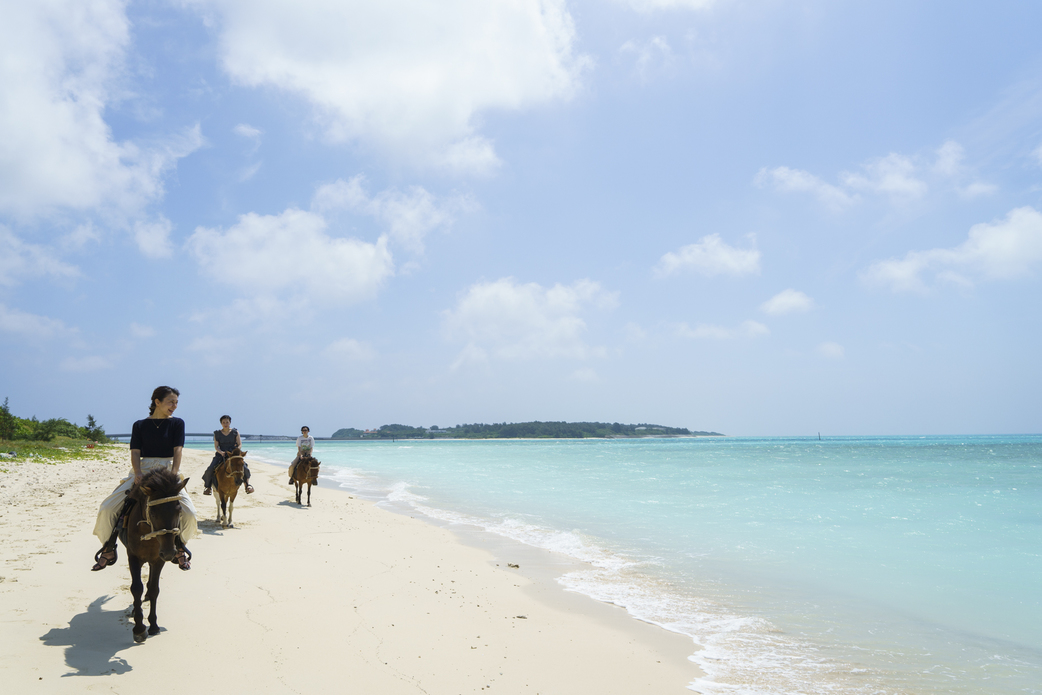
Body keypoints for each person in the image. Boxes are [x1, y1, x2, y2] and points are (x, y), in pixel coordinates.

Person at [91, 386, 198, 571]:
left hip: (167, 472)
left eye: (176, 402)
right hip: (143, 471)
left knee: (190, 513)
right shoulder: (139, 425)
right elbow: (135, 451)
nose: (174, 406)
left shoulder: (177, 423)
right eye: (170, 402)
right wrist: (138, 472)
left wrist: (174, 471)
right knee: (108, 509)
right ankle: (108, 547)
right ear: (157, 402)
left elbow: (178, 450)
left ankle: (180, 546)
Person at [202, 415, 253, 495]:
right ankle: (208, 487)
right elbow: (216, 447)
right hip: (221, 454)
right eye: (223, 422)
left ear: (230, 422)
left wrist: (236, 452)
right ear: (221, 423)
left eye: (227, 422)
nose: (225, 424)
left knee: (245, 468)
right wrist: (221, 452)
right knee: (210, 469)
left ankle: (247, 485)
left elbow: (239, 444)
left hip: (234, 454)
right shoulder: (217, 433)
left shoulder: (235, 432)